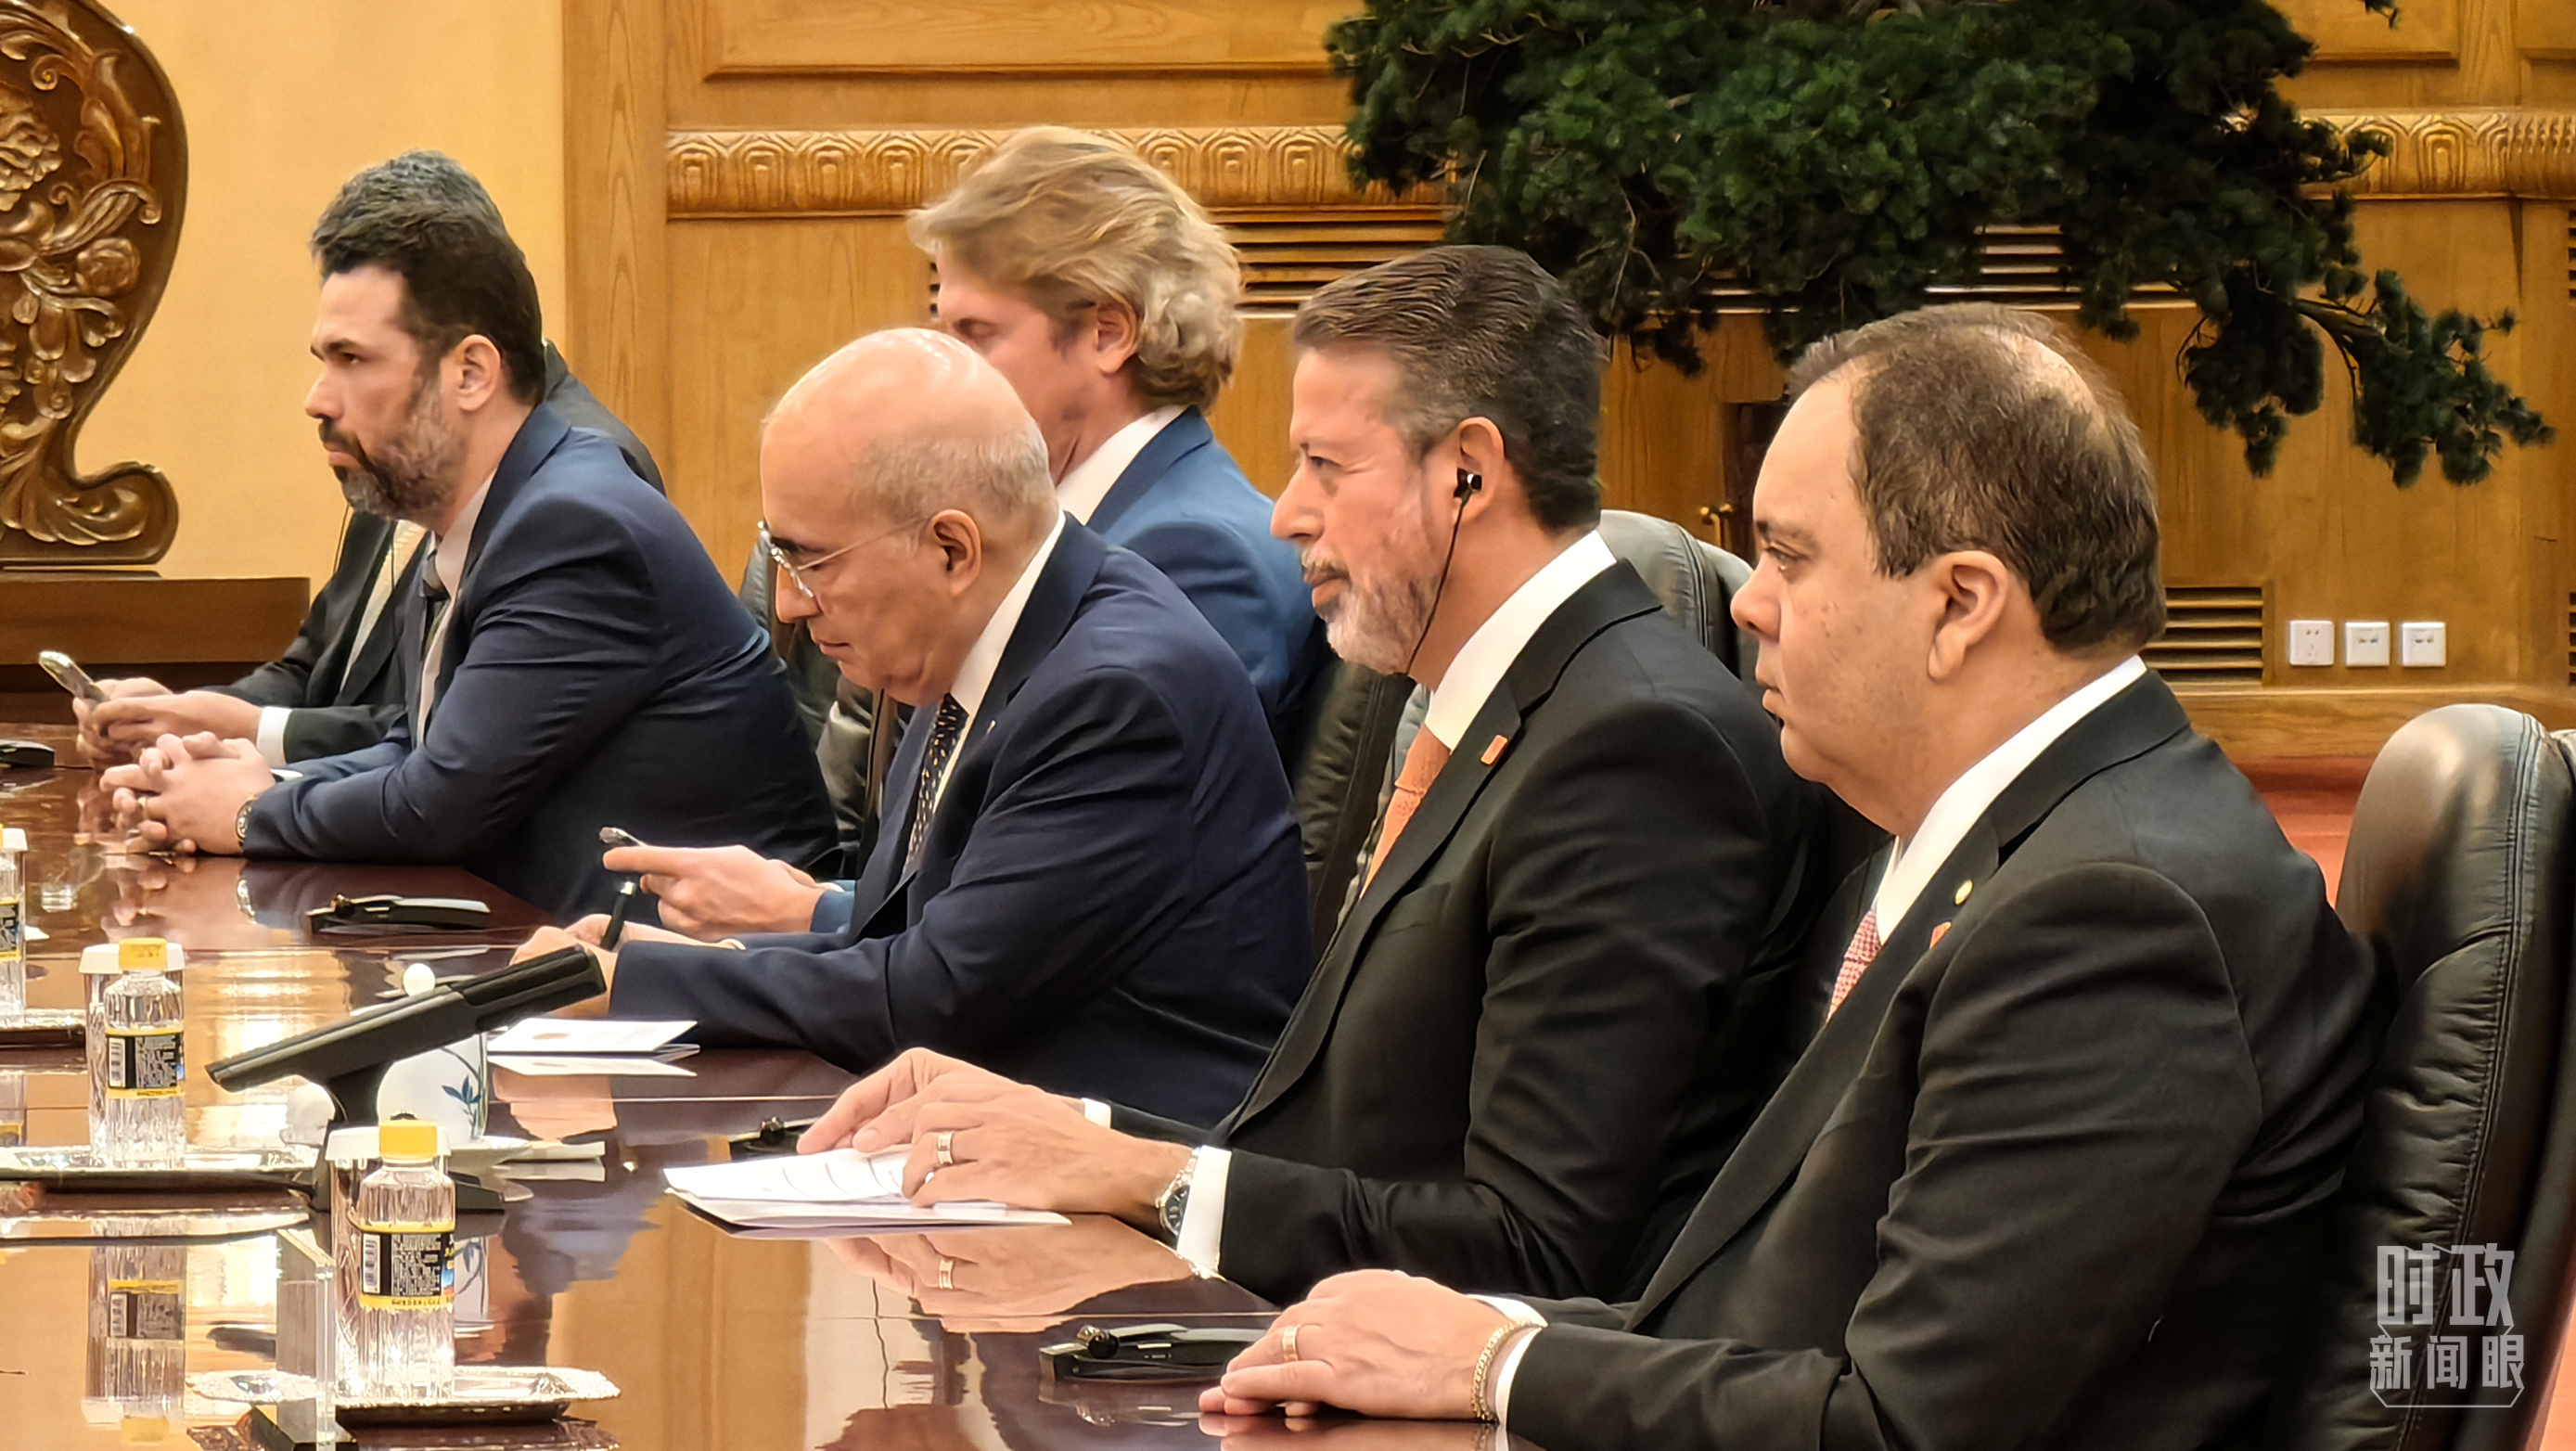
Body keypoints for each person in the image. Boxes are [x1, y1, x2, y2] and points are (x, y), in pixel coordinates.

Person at [1180, 304, 2382, 1450]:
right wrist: (1462, 1331)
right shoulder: (2010, 847)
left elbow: (1902, 1425)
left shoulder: (2116, 914)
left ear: (1959, 603)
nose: (1747, 601)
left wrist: (1494, 1364)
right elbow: (1777, 1322)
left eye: (1788, 557)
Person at [791, 247, 1828, 1306]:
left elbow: (1533, 1245)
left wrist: (1145, 1177)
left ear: (1467, 470)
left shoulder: (1636, 750)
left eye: (1327, 467)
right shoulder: (1491, 707)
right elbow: (1354, 1139)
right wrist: (1064, 1130)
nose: (1287, 513)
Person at [509, 329, 1314, 1126]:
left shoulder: (1114, 695)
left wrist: (628, 985)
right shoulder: (976, 639)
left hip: (1123, 1175)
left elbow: (933, 997)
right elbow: (899, 937)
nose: (787, 605)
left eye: (810, 562)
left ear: (951, 549)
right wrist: (684, 959)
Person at [609, 125, 1326, 940]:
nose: (944, 361)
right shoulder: (1044, 529)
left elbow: (1062, 899)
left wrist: (805, 913)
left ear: (1107, 333)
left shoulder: (1191, 552)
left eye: (977, 334)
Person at [97, 154, 834, 920]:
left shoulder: (576, 525)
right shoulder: (489, 512)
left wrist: (249, 812)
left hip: (714, 961)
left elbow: (437, 803)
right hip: (556, 945)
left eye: (352, 360)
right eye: (324, 361)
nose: (318, 400)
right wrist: (227, 785)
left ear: (472, 373)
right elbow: (413, 749)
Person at [77, 156, 663, 766]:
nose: (317, 401)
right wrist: (184, 719)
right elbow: (318, 669)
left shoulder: (583, 487)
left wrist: (254, 773)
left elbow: (459, 743)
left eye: (353, 358)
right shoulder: (401, 450)